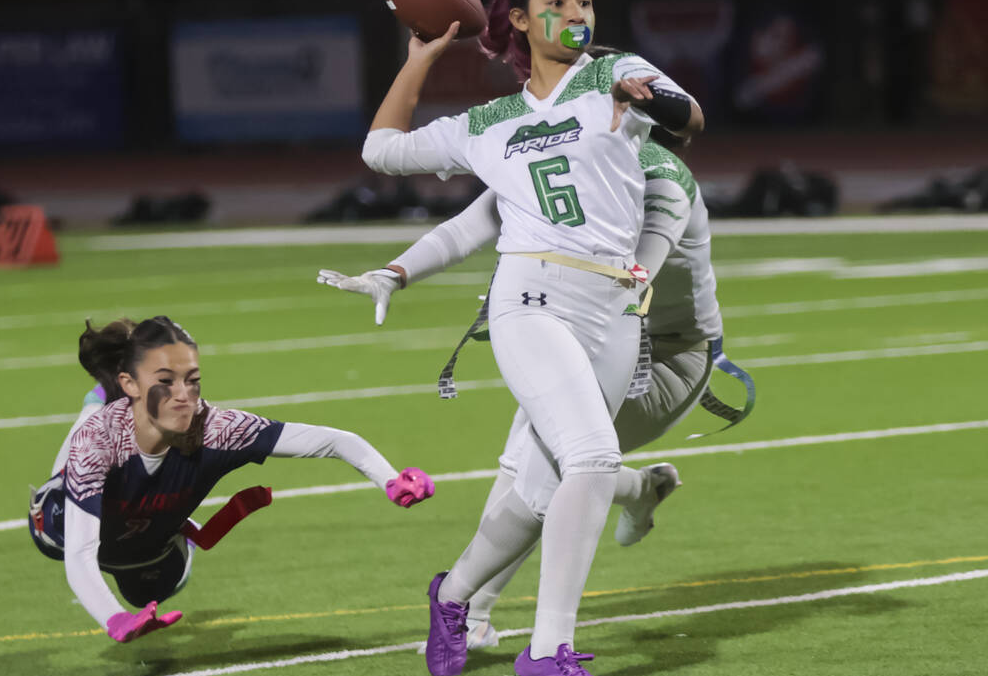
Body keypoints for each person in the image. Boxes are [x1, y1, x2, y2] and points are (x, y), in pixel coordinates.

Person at [360, 0, 703, 676]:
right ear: (517, 18)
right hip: (532, 298)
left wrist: (651, 95)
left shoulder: (614, 74)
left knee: (544, 491)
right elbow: (381, 151)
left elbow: (691, 117)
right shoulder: (491, 122)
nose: (578, 11)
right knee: (592, 456)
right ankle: (549, 651)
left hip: (613, 311)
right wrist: (419, 60)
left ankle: (451, 596)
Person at [321, 136, 756, 649]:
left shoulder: (662, 179)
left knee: (541, 462)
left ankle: (478, 614)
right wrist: (394, 274)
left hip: (665, 357)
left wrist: (534, 291)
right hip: (593, 328)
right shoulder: (558, 148)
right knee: (535, 460)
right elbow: (472, 224)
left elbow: (633, 280)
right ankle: (636, 493)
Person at [27, 315, 434, 642]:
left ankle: (173, 536)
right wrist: (114, 619)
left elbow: (334, 441)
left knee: (152, 592)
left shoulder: (219, 428)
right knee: (54, 521)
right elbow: (79, 554)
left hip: (151, 544)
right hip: (90, 526)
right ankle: (102, 395)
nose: (185, 395)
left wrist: (390, 480)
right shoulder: (97, 439)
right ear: (130, 384)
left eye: (192, 380)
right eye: (165, 381)